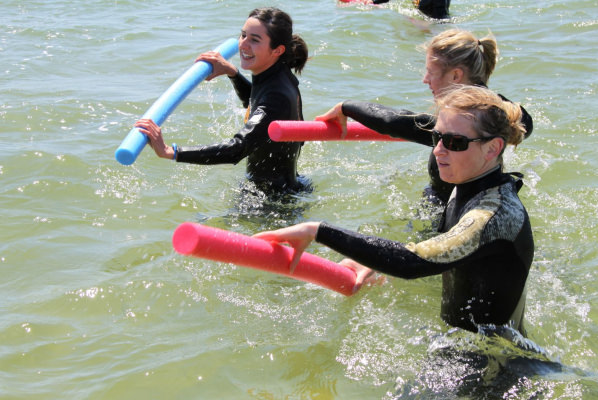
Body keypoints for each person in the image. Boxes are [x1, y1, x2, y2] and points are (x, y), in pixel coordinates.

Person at [255, 85, 534, 335]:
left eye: (453, 143)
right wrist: (377, 259)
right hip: (462, 343)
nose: (437, 151)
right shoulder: (469, 175)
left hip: (495, 364)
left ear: (492, 148)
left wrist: (317, 231)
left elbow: (412, 262)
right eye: (437, 136)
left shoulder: (493, 214)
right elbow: (397, 120)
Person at [317, 29, 533, 204]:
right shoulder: (496, 114)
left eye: (431, 71)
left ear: (456, 75)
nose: (425, 79)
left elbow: (395, 121)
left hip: (455, 219)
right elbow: (526, 122)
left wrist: (346, 106)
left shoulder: (463, 124)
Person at [135, 7, 310, 193]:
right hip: (284, 187)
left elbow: (238, 148)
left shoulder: (276, 95)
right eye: (243, 35)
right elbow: (259, 109)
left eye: (254, 40)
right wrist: (233, 73)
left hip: (272, 202)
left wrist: (171, 152)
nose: (243, 45)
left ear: (277, 50)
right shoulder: (278, 77)